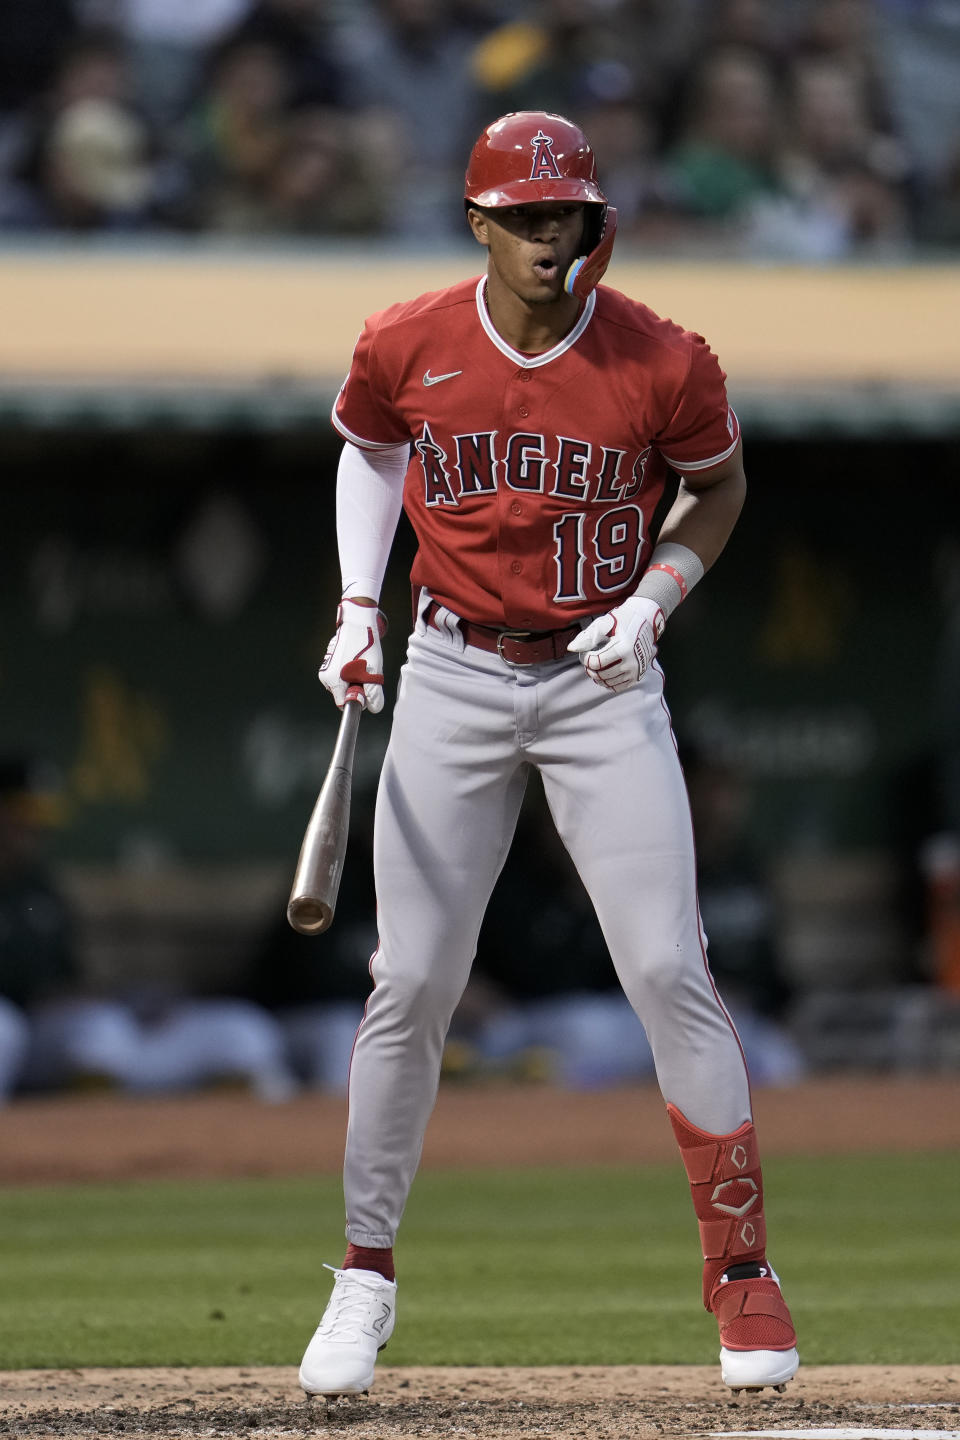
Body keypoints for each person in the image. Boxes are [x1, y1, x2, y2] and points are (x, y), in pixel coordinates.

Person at [297, 109, 799, 1399]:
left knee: (665, 966)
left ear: (593, 220)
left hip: (598, 677)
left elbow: (720, 487)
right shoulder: (406, 338)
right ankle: (363, 1278)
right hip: (454, 668)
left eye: (561, 213)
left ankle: (742, 1275)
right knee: (409, 982)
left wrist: (655, 599)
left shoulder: (664, 358)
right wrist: (360, 608)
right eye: (520, 215)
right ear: (479, 221)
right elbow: (368, 446)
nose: (543, 236)